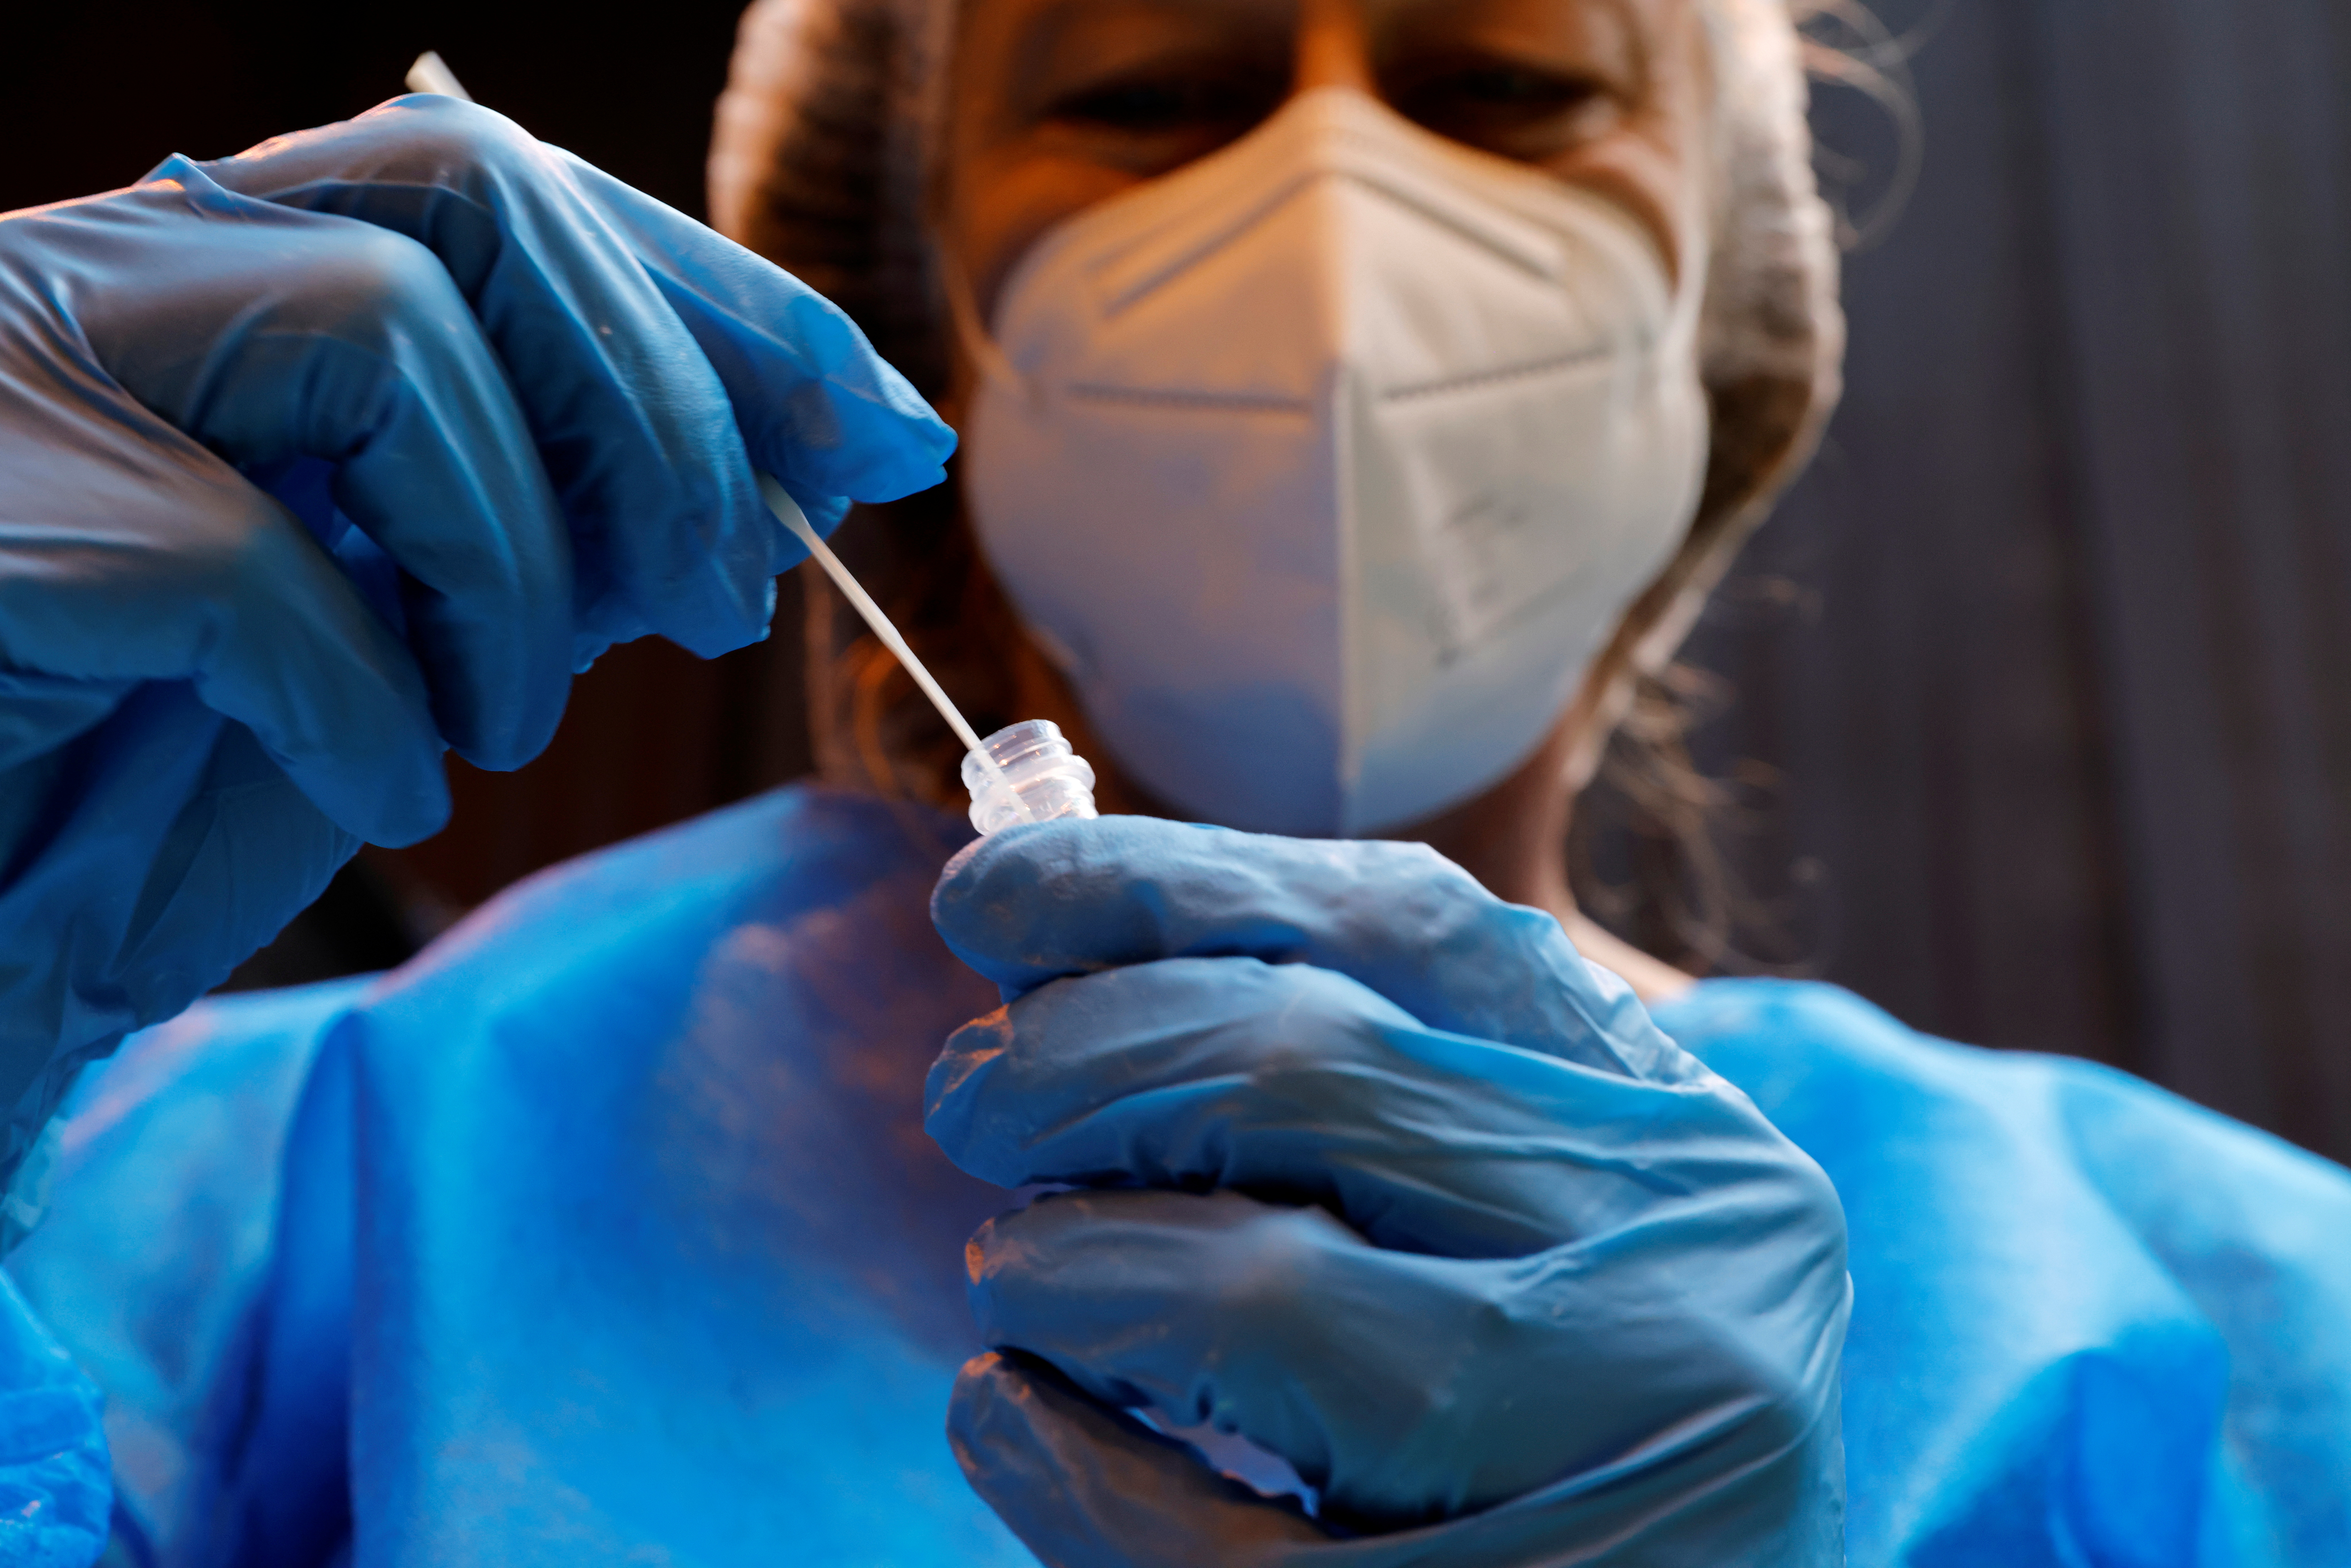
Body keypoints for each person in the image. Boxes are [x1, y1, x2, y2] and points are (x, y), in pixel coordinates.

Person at [0, 1, 2345, 1565]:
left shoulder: (2244, 1320)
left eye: (1507, 88)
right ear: (898, 292)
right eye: (1150, 91)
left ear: (1718, 321)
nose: (1336, 227)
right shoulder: (277, 1179)